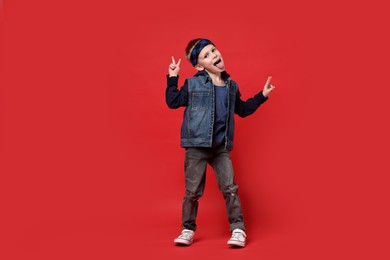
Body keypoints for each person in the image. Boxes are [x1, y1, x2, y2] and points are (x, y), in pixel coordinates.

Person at [165, 38, 275, 248]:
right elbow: (172, 102)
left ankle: (238, 229)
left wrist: (262, 96)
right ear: (198, 66)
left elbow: (242, 110)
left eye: (213, 50)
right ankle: (187, 229)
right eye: (206, 55)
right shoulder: (193, 83)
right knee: (192, 192)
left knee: (230, 188)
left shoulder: (232, 86)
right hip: (196, 146)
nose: (213, 55)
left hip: (220, 148)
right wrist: (173, 77)